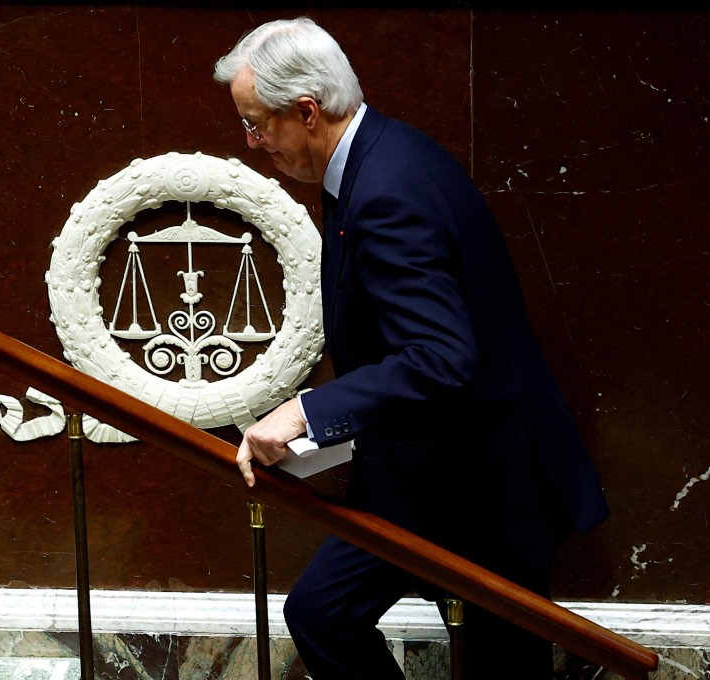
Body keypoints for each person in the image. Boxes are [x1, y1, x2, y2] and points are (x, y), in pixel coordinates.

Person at [214, 17, 610, 679]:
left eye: (258, 124)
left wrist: (305, 413)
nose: (252, 143)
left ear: (307, 111)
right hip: (437, 464)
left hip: (481, 480)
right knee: (328, 614)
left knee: (480, 654)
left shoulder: (388, 190)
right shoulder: (383, 155)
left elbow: (440, 355)